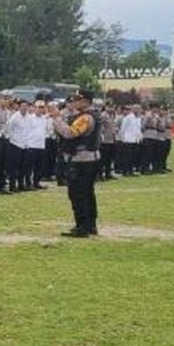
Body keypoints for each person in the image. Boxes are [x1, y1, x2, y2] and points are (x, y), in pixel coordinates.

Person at [49, 91, 100, 238]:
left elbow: (70, 133)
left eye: (78, 99)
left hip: (81, 160)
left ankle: (82, 226)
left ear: (86, 101)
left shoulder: (86, 117)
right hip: (89, 159)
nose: (75, 102)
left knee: (78, 194)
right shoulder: (91, 115)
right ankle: (90, 225)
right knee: (88, 193)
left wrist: (57, 118)